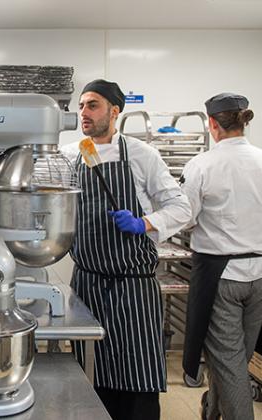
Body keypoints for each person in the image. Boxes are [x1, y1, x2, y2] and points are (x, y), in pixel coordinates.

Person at [62, 79, 191, 420]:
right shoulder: (71, 155)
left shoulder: (141, 154)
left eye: (93, 105)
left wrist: (143, 223)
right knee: (92, 374)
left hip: (133, 285)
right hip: (87, 283)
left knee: (137, 379)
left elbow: (182, 207)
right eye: (81, 106)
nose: (84, 112)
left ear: (114, 111)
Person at [180, 93, 262, 420]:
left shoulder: (202, 164)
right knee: (235, 360)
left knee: (229, 365)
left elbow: (184, 216)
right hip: (259, 275)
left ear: (212, 124)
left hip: (222, 276)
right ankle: (211, 410)